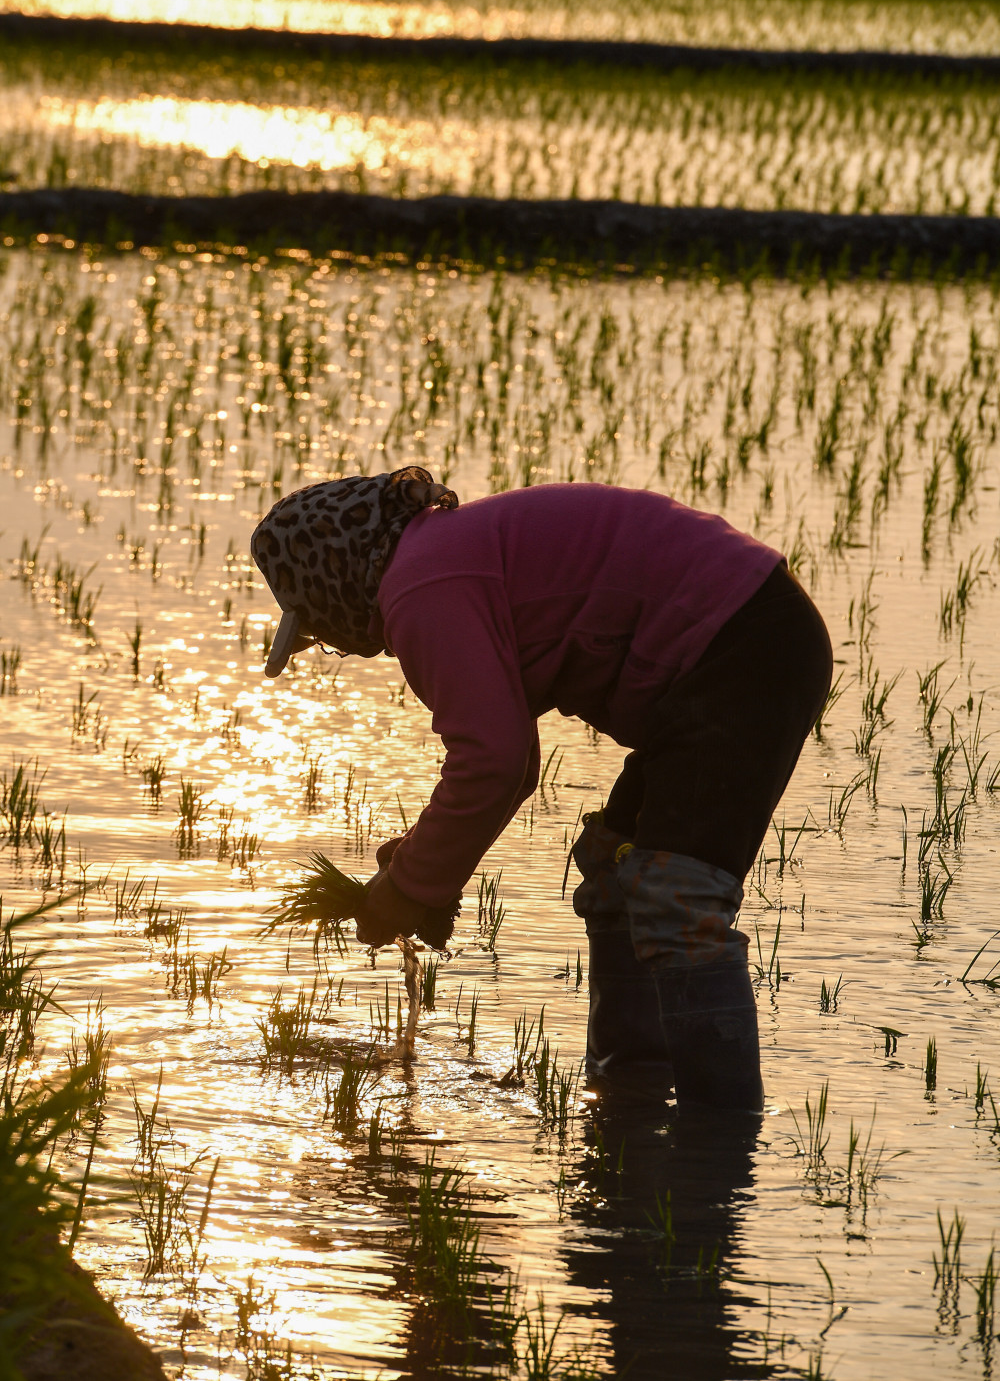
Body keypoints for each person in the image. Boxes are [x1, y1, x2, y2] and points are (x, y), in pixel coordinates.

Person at [250, 467, 832, 1115]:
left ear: (333, 581)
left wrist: (409, 891)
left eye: (319, 630)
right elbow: (514, 764)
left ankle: (717, 1153)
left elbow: (492, 764)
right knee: (615, 867)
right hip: (744, 637)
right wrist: (418, 865)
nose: (337, 646)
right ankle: (628, 1104)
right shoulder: (441, 555)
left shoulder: (421, 586)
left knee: (678, 899)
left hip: (743, 646)